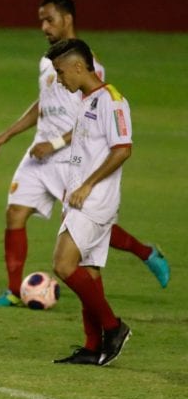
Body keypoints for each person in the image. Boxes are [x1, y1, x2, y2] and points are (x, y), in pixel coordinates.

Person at [0, 0, 168, 307]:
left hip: (69, 156)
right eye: (41, 19)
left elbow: (89, 117)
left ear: (67, 19)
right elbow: (46, 103)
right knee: (15, 212)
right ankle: (14, 292)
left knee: (83, 229)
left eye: (49, 19)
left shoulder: (87, 64)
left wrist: (53, 144)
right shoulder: (50, 60)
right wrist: (8, 133)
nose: (43, 26)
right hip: (38, 152)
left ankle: (146, 253)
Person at [44, 39, 132, 365]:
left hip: (96, 200)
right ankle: (94, 345)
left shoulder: (113, 101)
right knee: (88, 272)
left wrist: (87, 186)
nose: (59, 78)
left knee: (63, 264)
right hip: (80, 198)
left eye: (61, 71)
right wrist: (72, 188)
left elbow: (122, 148)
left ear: (79, 67)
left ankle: (113, 327)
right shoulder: (85, 100)